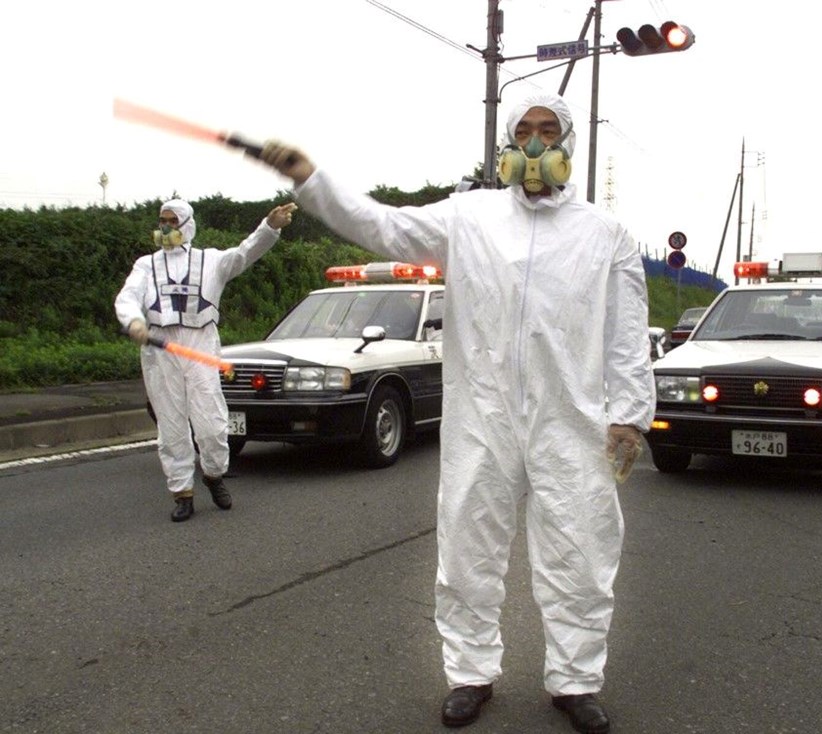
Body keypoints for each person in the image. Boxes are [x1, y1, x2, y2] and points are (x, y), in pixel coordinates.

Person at [254, 93, 655, 734]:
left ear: (569, 144)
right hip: (482, 416)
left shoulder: (604, 235)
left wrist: (629, 415)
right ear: (504, 143)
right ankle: (470, 674)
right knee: (469, 547)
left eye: (547, 131)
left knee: (581, 552)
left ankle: (576, 680)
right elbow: (381, 224)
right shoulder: (468, 217)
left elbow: (628, 335)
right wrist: (311, 179)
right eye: (522, 130)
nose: (533, 144)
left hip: (570, 421)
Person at [115, 198, 297, 521]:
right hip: (160, 348)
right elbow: (128, 296)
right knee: (171, 426)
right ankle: (182, 492)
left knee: (212, 423)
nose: (165, 227)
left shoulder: (211, 261)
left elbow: (244, 253)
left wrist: (269, 228)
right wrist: (133, 321)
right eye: (162, 221)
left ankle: (214, 475)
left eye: (172, 221)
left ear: (187, 225)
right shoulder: (146, 264)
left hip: (199, 345)